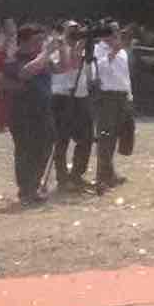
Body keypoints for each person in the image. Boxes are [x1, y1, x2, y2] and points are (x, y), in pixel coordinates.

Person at [2, 23, 59, 206]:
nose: (41, 43)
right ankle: (26, 190)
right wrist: (47, 52)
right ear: (25, 41)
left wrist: (70, 47)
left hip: (43, 111)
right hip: (22, 115)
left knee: (46, 146)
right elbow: (25, 73)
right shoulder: (14, 59)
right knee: (26, 151)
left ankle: (33, 185)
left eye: (42, 40)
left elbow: (65, 67)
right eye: (37, 40)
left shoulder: (41, 58)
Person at [46, 21, 92, 190]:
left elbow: (85, 70)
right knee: (62, 140)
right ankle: (62, 178)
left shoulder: (83, 48)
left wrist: (81, 46)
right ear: (63, 32)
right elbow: (67, 67)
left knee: (87, 137)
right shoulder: (56, 47)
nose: (75, 34)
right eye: (71, 31)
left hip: (81, 96)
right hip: (62, 97)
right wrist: (71, 48)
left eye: (77, 30)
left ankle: (77, 175)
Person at [90, 22, 132, 193]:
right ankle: (101, 177)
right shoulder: (97, 49)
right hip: (107, 96)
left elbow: (125, 75)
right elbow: (96, 71)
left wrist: (129, 95)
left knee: (118, 136)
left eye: (117, 31)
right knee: (105, 137)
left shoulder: (122, 51)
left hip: (122, 96)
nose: (117, 35)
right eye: (113, 32)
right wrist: (113, 52)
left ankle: (109, 172)